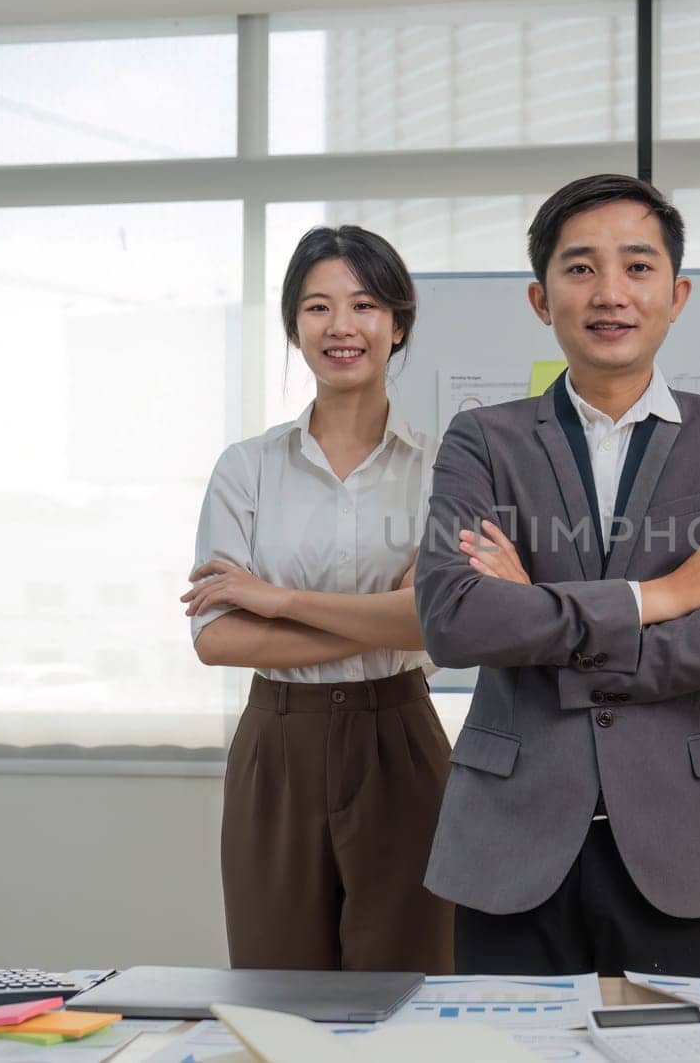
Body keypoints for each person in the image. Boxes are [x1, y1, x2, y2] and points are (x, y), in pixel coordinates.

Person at [413, 173, 700, 977]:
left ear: (677, 292)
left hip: (686, 842)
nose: (610, 293)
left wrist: (532, 613)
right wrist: (665, 595)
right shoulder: (482, 439)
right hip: (510, 841)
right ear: (540, 296)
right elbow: (454, 619)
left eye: (638, 267)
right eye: (581, 268)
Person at [182, 225, 452, 974]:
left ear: (398, 324)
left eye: (364, 305)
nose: (341, 327)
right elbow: (217, 638)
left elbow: (439, 617)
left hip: (401, 737)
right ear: (294, 327)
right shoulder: (247, 468)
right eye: (317, 307)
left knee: (410, 985)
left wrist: (273, 599)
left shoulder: (446, 468)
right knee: (277, 986)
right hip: (277, 742)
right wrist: (384, 616)